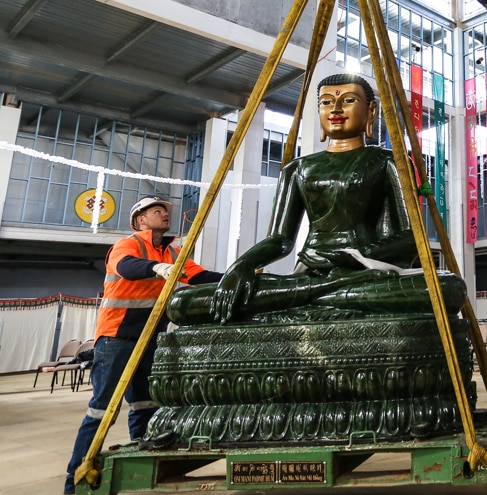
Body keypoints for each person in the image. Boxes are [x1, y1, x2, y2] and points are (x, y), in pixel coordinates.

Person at [167, 73, 466, 326]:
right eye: (326, 102)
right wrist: (241, 266)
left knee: (446, 287)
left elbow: (411, 237)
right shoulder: (298, 168)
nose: (335, 108)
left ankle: (307, 299)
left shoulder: (388, 161)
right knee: (181, 302)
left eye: (348, 100)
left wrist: (356, 254)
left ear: (371, 112)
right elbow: (280, 240)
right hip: (309, 275)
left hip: (367, 273)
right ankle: (322, 293)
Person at [61, 194, 222, 495]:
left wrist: (237, 276)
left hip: (150, 339)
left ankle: (144, 461)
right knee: (101, 409)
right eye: (156, 210)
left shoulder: (173, 252)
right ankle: (76, 483)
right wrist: (156, 267)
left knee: (146, 404)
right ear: (140, 220)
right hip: (117, 338)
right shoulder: (128, 245)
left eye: (165, 210)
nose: (164, 214)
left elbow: (199, 276)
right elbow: (128, 268)